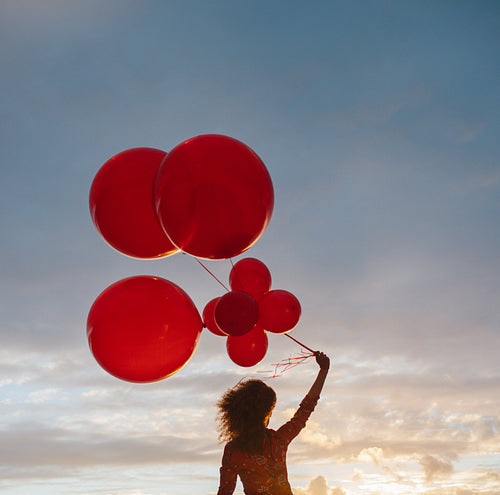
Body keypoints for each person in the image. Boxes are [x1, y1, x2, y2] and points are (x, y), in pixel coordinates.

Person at [216, 351, 330, 495]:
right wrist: (323, 370)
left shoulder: (233, 450)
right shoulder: (278, 440)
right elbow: (306, 409)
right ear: (264, 415)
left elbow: (225, 491)